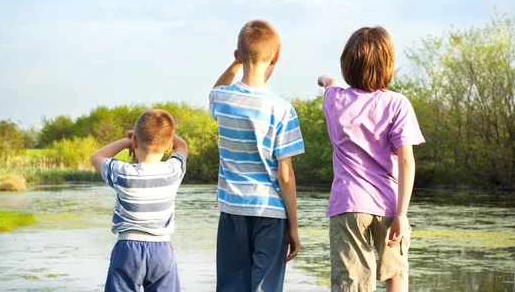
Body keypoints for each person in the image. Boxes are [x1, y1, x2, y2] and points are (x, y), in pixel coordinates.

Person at [318, 26, 425, 292]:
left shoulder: (335, 99)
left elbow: (329, 83)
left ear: (347, 65)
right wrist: (402, 213)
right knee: (396, 275)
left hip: (348, 204)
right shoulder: (398, 104)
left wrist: (325, 78)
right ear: (388, 65)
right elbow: (406, 162)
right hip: (389, 205)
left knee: (351, 282)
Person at [209, 19, 305, 292]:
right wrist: (294, 226)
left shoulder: (222, 99)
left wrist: (236, 63)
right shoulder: (283, 110)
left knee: (231, 286)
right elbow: (285, 175)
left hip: (232, 210)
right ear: (276, 56)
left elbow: (215, 90)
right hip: (270, 213)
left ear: (238, 55)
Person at [90, 109, 188, 292]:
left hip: (128, 250)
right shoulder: (173, 171)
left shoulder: (123, 173)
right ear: (168, 147)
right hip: (162, 250)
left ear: (135, 141)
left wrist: (127, 140)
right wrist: (166, 136)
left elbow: (96, 157)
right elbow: (182, 146)